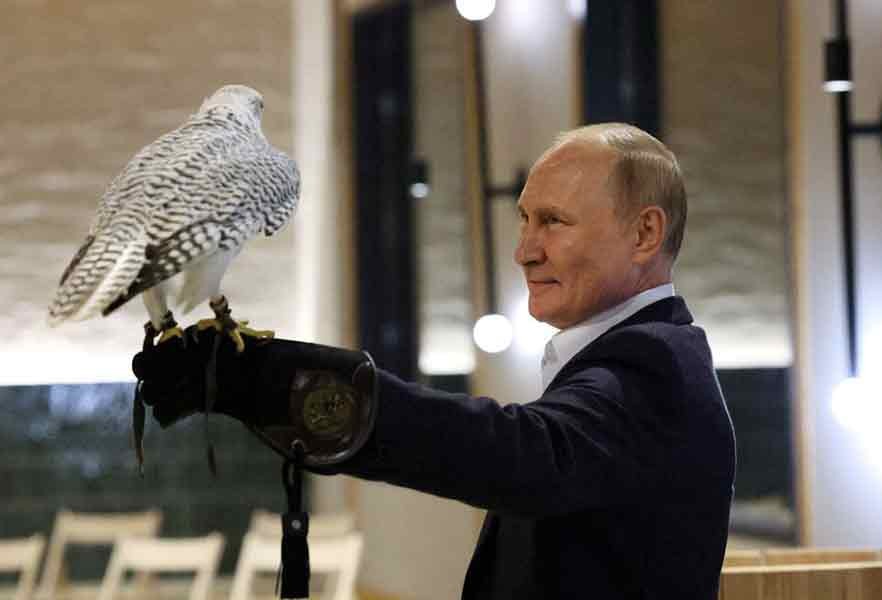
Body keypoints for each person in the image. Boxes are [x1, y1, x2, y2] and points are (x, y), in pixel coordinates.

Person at [133, 123, 736, 599]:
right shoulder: (627, 361)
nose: (525, 250)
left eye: (553, 221)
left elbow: (523, 456)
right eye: (524, 220)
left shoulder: (656, 367)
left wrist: (279, 383)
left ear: (644, 235)